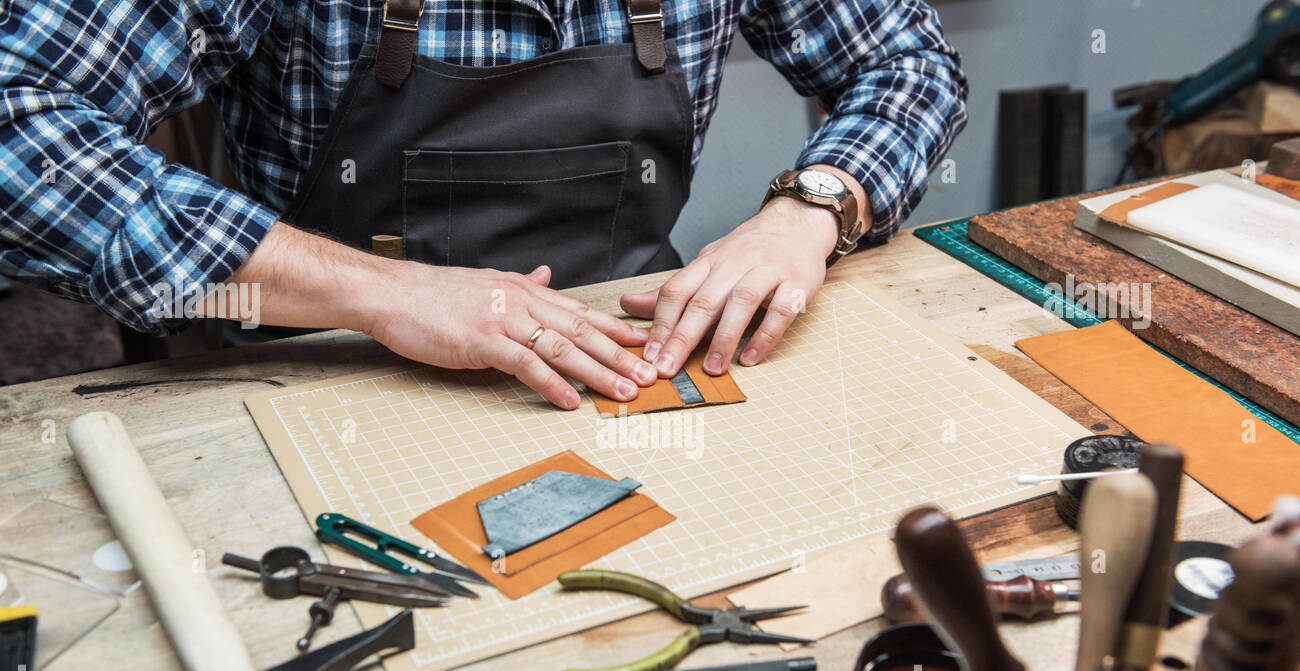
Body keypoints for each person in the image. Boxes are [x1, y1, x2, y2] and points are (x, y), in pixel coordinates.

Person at [0, 0, 967, 407]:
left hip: (630, 363)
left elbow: (906, 61)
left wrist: (811, 207)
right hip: (315, 372)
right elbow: (16, 117)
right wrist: (380, 291)